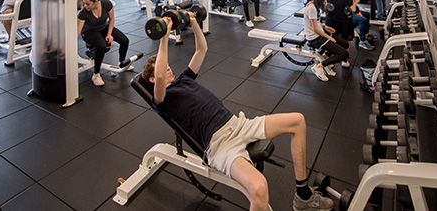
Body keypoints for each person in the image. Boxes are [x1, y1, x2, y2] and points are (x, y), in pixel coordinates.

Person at [142, 14, 334, 211]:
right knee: (259, 188)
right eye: (164, 69)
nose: (168, 69)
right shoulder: (162, 100)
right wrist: (164, 36)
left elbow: (202, 50)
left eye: (167, 66)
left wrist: (193, 22)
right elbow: (158, 75)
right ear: (152, 81)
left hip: (239, 124)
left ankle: (303, 195)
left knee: (298, 121)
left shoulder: (184, 79)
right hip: (221, 144)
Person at [77, 0, 130, 86]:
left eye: (88, 4)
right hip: (89, 32)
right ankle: (96, 74)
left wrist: (109, 34)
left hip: (104, 28)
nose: (85, 6)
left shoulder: (106, 4)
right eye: (84, 3)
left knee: (124, 40)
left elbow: (111, 20)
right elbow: (78, 31)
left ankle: (122, 62)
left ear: (96, 1)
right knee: (102, 46)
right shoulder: (84, 13)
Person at [302, 0, 351, 82]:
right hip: (315, 38)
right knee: (344, 54)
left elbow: (316, 23)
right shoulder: (311, 8)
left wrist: (325, 27)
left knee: (344, 44)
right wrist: (329, 37)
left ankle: (324, 59)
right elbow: (315, 29)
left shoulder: (314, 5)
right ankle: (319, 66)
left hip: (319, 34)